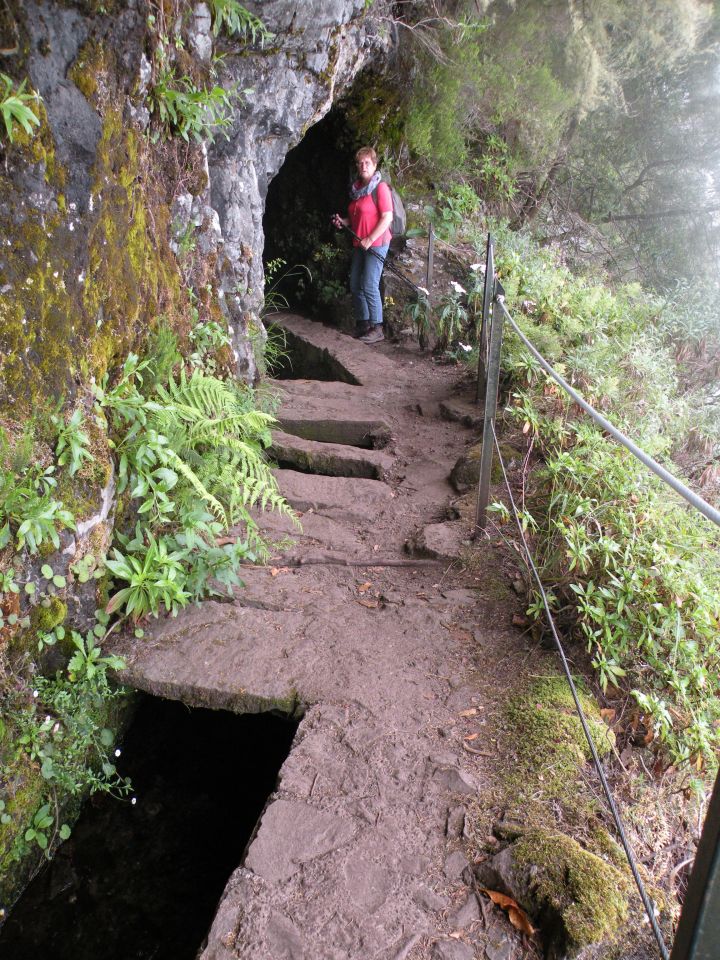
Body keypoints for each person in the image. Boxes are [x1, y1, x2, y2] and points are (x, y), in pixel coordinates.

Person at [332, 146, 393, 344]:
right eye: (360, 163)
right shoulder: (357, 190)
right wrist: (343, 221)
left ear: (375, 165)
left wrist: (370, 238)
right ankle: (363, 324)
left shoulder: (380, 188)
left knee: (369, 283)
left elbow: (387, 218)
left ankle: (377, 327)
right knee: (355, 283)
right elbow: (356, 218)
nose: (363, 166)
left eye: (367, 162)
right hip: (360, 243)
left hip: (376, 244)